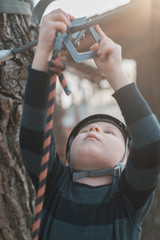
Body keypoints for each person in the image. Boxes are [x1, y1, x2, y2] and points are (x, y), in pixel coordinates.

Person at [19, 8, 160, 240]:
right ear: (67, 157)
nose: (94, 129)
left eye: (109, 132)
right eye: (83, 130)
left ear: (126, 160)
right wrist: (43, 49)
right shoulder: (54, 185)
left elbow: (151, 144)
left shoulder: (128, 199)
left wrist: (115, 73)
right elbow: (34, 136)